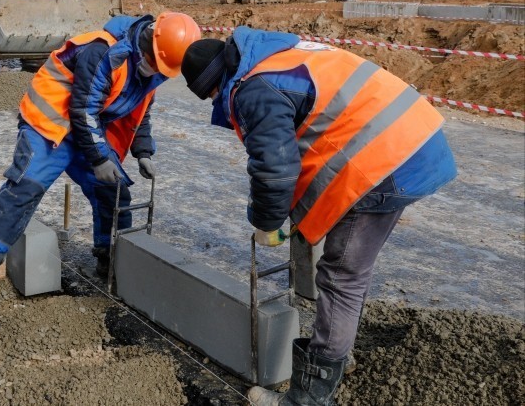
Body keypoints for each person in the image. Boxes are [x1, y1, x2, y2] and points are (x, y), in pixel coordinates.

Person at [180, 27, 457, 405]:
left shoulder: (253, 89)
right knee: (350, 272)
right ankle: (339, 350)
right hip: (414, 138)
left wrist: (265, 221)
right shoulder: (277, 55)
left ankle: (308, 395)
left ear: (215, 84)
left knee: (341, 274)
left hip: (387, 161)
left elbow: (275, 170)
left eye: (212, 96)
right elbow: (308, 139)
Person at [0, 12, 201, 305]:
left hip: (88, 130)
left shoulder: (153, 68)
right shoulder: (104, 52)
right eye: (156, 64)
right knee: (27, 185)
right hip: (51, 123)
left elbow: (140, 112)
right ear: (148, 43)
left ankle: (109, 259)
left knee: (114, 191)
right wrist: (99, 159)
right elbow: (83, 109)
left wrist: (144, 151)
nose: (157, 71)